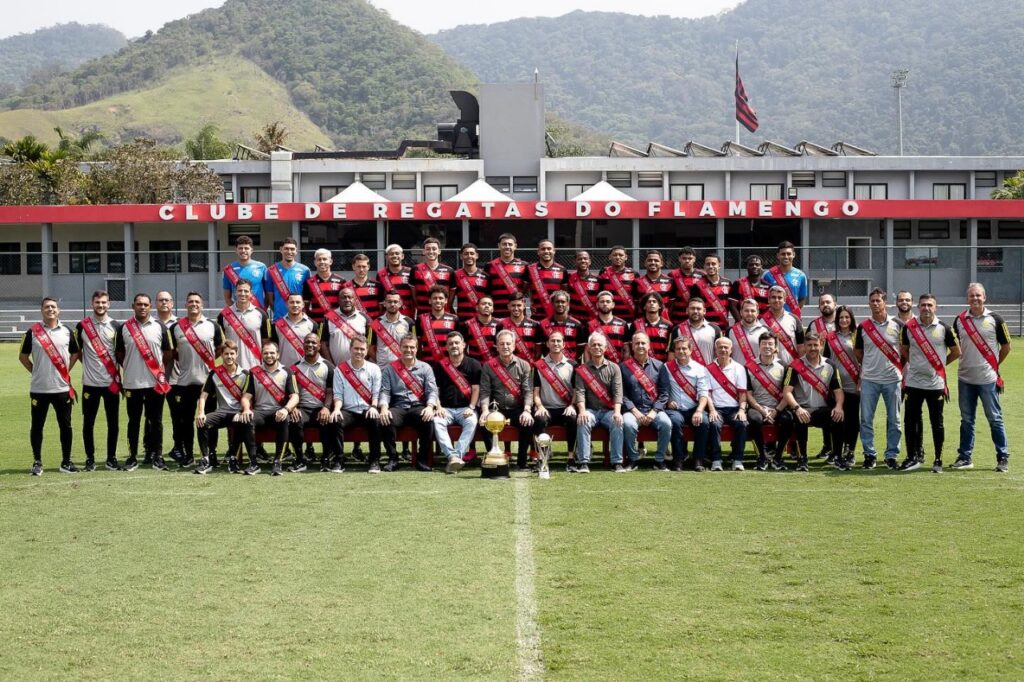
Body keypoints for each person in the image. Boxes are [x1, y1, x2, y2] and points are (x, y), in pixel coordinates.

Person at [952, 283, 1011, 472]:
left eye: (978, 295)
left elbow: (1006, 347)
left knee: (995, 418)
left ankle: (1002, 457)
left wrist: (993, 366)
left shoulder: (996, 319)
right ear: (967, 298)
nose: (975, 299)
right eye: (971, 296)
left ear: (984, 297)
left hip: (987, 379)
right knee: (967, 420)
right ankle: (965, 457)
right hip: (965, 379)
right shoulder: (959, 320)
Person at [900, 294, 960, 472]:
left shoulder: (944, 328)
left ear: (936, 307)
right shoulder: (909, 327)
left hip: (935, 385)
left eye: (929, 305)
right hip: (913, 383)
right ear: (918, 307)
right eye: (923, 305)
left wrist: (939, 366)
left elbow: (956, 351)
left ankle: (938, 459)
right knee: (910, 421)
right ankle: (912, 456)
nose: (926, 308)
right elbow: (904, 349)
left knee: (937, 422)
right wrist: (917, 365)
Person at [20, 297, 79, 475]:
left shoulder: (68, 332)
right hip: (39, 389)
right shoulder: (33, 332)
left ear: (58, 310)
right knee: (37, 426)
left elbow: (76, 353)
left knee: (66, 426)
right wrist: (36, 372)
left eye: (53, 307)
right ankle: (37, 462)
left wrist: (64, 371)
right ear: (42, 310)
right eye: (47, 307)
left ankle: (66, 462)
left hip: (62, 389)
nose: (50, 310)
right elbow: (23, 357)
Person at [115, 293, 173, 471]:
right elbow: (119, 354)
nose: (142, 307)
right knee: (134, 421)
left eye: (146, 304)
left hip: (155, 383)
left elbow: (168, 353)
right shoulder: (124, 328)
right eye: (139, 304)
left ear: (150, 307)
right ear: (133, 306)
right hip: (132, 384)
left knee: (155, 421)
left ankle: (157, 455)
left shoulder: (160, 327)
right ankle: (132, 457)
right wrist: (131, 367)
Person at [168, 292, 223, 468]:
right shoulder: (176, 327)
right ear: (186, 305)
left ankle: (211, 454)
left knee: (209, 421)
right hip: (183, 382)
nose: (194, 304)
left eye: (197, 301)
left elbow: (220, 349)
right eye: (190, 301)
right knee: (185, 422)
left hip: (207, 383)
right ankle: (189, 454)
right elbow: (172, 352)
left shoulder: (212, 326)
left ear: (202, 305)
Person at [778, 333, 845, 472]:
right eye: (809, 345)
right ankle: (803, 458)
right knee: (801, 418)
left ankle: (838, 457)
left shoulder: (830, 365)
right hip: (803, 409)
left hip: (822, 409)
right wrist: (797, 408)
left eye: (815, 345)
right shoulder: (795, 366)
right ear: (804, 347)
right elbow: (787, 391)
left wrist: (839, 406)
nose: (813, 348)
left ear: (821, 345)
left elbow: (838, 391)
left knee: (838, 417)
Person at [854, 287, 904, 469]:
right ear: (869, 303)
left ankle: (891, 455)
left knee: (895, 420)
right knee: (866, 419)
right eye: (872, 301)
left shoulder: (898, 325)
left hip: (893, 379)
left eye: (879, 300)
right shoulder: (863, 327)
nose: (875, 303)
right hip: (869, 380)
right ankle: (869, 455)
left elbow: (905, 351)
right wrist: (870, 365)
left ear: (886, 303)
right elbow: (858, 352)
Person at [75, 289, 122, 471]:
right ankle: (90, 458)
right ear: (92, 303)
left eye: (104, 302)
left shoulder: (116, 326)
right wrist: (90, 366)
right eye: (97, 302)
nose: (101, 305)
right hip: (90, 384)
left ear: (109, 304)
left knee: (113, 422)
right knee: (89, 422)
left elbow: (119, 353)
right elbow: (77, 353)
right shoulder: (82, 326)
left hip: (111, 384)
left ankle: (111, 457)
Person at [379, 335, 439, 472]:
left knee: (428, 420)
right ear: (400, 348)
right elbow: (385, 391)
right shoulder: (390, 369)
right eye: (405, 347)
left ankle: (422, 459)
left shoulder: (425, 368)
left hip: (418, 406)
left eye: (412, 347)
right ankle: (393, 459)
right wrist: (383, 408)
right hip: (398, 406)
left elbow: (432, 391)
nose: (408, 350)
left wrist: (430, 407)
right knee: (385, 419)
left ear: (417, 349)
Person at [238, 341, 299, 476]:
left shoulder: (287, 372)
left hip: (278, 411)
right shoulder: (254, 372)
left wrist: (286, 409)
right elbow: (246, 397)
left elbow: (295, 396)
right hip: (260, 412)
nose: (269, 355)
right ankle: (253, 463)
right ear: (262, 355)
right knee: (247, 419)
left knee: (284, 420)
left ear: (278, 354)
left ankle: (278, 462)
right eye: (266, 353)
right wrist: (247, 409)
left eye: (272, 353)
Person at [480, 330, 535, 469]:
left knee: (528, 423)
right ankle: (494, 459)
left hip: (517, 409)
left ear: (514, 345)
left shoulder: (524, 365)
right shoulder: (488, 366)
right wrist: (485, 411)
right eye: (502, 344)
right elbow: (485, 391)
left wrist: (527, 410)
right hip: (496, 409)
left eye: (508, 344)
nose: (505, 346)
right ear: (496, 346)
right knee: (485, 424)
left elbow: (528, 391)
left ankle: (522, 462)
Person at [574, 332, 628, 473]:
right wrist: (582, 411)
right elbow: (580, 392)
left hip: (608, 411)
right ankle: (584, 462)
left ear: (605, 348)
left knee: (617, 421)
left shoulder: (614, 368)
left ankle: (616, 462)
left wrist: (617, 412)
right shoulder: (582, 370)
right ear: (589, 348)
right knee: (583, 420)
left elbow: (618, 392)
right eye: (594, 345)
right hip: (591, 411)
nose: (597, 347)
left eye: (599, 345)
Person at [330, 336, 384, 473]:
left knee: (375, 420)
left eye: (362, 349)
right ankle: (339, 460)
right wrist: (336, 409)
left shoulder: (374, 369)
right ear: (350, 349)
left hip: (367, 409)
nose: (359, 352)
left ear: (366, 351)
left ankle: (374, 461)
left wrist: (373, 406)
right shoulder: (340, 370)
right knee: (336, 419)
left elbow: (376, 393)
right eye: (356, 349)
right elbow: (337, 395)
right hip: (348, 410)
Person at [657, 336, 711, 471]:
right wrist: (668, 402)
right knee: (674, 422)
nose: (681, 351)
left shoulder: (699, 368)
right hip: (675, 410)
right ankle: (678, 460)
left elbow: (704, 393)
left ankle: (698, 459)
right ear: (674, 351)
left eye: (684, 348)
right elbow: (662, 389)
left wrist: (699, 410)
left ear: (690, 350)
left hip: (694, 408)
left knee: (704, 421)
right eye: (678, 349)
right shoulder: (667, 367)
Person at [287, 333, 338, 472]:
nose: (310, 345)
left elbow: (330, 391)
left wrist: (327, 408)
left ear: (319, 346)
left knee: (327, 420)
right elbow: (291, 392)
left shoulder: (329, 367)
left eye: (314, 343)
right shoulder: (294, 368)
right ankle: (299, 459)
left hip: (320, 408)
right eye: (307, 342)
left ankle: (326, 459)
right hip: (302, 408)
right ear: (303, 345)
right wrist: (294, 408)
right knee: (293, 420)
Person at [431, 331, 481, 474]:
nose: (454, 346)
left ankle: (456, 456)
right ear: (446, 347)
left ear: (463, 345)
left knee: (472, 421)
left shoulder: (474, 364)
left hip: (466, 408)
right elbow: (435, 390)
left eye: (457, 343)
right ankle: (452, 456)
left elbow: (476, 389)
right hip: (445, 409)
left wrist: (471, 407)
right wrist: (438, 407)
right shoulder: (439, 366)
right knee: (436, 421)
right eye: (451, 344)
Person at [195, 341, 248, 474]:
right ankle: (206, 459)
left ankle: (232, 458)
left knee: (240, 421)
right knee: (202, 422)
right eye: (226, 354)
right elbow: (203, 395)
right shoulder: (215, 373)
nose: (229, 357)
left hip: (237, 413)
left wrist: (243, 411)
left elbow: (249, 397)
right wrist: (201, 413)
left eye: (232, 354)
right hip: (221, 412)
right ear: (221, 356)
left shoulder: (245, 374)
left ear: (237, 355)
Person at [621, 333, 671, 470]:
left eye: (643, 343)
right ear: (632, 346)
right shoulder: (623, 367)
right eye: (637, 343)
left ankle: (659, 460)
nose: (640, 346)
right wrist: (635, 412)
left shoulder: (660, 366)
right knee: (628, 424)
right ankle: (633, 459)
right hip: (633, 410)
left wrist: (654, 412)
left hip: (654, 410)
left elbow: (664, 394)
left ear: (649, 346)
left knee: (666, 423)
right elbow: (622, 395)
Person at [743, 333, 790, 471]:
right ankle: (762, 457)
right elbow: (748, 394)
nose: (767, 347)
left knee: (788, 419)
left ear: (776, 347)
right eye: (764, 344)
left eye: (770, 344)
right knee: (754, 419)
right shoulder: (749, 367)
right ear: (759, 346)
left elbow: (788, 393)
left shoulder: (784, 366)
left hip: (778, 407)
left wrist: (776, 411)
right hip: (757, 407)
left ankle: (778, 457)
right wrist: (761, 410)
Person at [532, 331, 578, 465]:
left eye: (559, 341)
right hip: (547, 408)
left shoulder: (573, 365)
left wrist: (572, 405)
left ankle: (571, 457)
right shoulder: (539, 365)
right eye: (552, 341)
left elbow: (576, 390)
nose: (556, 343)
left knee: (573, 419)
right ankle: (542, 457)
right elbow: (536, 392)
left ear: (564, 344)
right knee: (539, 419)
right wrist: (539, 406)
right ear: (547, 344)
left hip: (565, 408)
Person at [823, 305, 861, 465]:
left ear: (851, 319)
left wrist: (861, 378)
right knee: (837, 420)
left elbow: (864, 358)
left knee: (852, 420)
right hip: (836, 386)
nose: (844, 320)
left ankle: (850, 450)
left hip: (854, 384)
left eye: (847, 317)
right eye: (841, 318)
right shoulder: (830, 337)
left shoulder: (858, 335)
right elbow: (826, 360)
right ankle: (836, 451)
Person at [705, 337, 749, 471]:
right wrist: (712, 410)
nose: (723, 350)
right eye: (720, 347)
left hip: (734, 408)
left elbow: (742, 393)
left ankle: (737, 459)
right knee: (713, 424)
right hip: (716, 408)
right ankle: (716, 460)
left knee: (743, 424)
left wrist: (742, 410)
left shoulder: (739, 368)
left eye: (726, 347)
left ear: (731, 350)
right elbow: (707, 394)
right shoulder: (708, 369)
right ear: (715, 350)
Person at [217, 278, 271, 370]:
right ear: (235, 292)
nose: (242, 293)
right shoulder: (223, 315)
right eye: (240, 291)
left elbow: (266, 342)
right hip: (231, 369)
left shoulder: (262, 314)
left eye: (246, 291)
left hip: (255, 367)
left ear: (251, 293)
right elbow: (219, 345)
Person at [320, 287, 371, 366]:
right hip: (336, 368)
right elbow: (323, 344)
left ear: (355, 300)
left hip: (359, 368)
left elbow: (370, 344)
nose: (347, 300)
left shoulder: (364, 318)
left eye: (350, 297)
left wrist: (363, 362)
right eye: (344, 297)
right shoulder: (328, 318)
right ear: (338, 300)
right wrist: (331, 365)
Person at [265, 237, 311, 320]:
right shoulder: (271, 270)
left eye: (292, 249)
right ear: (281, 250)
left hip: (299, 319)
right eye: (286, 249)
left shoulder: (305, 270)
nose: (289, 252)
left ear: (296, 251)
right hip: (279, 319)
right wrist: (278, 311)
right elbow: (270, 298)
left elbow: (307, 297)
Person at [761, 241, 808, 318]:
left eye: (788, 254)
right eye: (783, 254)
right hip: (772, 319)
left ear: (793, 255)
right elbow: (762, 299)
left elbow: (802, 299)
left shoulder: (801, 276)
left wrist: (793, 311)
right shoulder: (767, 275)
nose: (786, 256)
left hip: (792, 317)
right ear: (778, 256)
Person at [671, 297, 722, 366]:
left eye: (698, 309)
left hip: (708, 373)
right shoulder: (677, 329)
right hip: (684, 374)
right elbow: (672, 354)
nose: (695, 311)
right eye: (692, 308)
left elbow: (720, 354)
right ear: (687, 310)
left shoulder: (715, 329)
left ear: (704, 311)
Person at [487, 233, 528, 316]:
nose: (507, 247)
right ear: (499, 246)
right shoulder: (489, 266)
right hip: (496, 313)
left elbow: (528, 287)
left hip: (517, 313)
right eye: (504, 244)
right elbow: (487, 290)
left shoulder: (524, 265)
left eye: (510, 244)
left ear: (515, 246)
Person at [762, 286, 804, 365]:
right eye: (773, 297)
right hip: (767, 368)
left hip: (790, 367)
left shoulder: (794, 319)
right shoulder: (761, 321)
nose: (777, 300)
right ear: (768, 300)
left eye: (780, 297)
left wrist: (800, 365)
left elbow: (801, 346)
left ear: (784, 300)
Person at [416, 285, 460, 363]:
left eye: (441, 298)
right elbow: (418, 343)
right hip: (427, 363)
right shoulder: (421, 319)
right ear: (429, 300)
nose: (438, 301)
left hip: (449, 364)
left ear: (446, 300)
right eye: (434, 298)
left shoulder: (454, 319)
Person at [274, 292, 318, 368]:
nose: (295, 305)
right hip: (283, 370)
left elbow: (317, 349)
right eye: (291, 302)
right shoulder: (277, 325)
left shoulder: (313, 324)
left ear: (303, 305)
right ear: (286, 304)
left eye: (298, 302)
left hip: (305, 371)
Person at [303, 247, 347, 324]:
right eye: (319, 259)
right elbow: (306, 304)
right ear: (315, 262)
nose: (322, 262)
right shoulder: (309, 282)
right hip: (316, 323)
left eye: (324, 259)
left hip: (336, 323)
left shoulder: (341, 281)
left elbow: (345, 303)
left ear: (330, 261)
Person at [411, 237, 454, 315]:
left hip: (442, 313)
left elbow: (452, 293)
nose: (431, 251)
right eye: (428, 249)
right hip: (422, 313)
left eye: (434, 249)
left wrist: (447, 307)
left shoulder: (449, 270)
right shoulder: (415, 269)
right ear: (423, 251)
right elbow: (413, 294)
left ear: (439, 251)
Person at [222, 235, 267, 309]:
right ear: (236, 250)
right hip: (238, 315)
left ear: (251, 250)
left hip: (258, 312)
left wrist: (263, 310)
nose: (243, 251)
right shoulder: (228, 270)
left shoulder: (262, 267)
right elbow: (227, 298)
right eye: (240, 248)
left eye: (246, 248)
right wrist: (237, 310)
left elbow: (268, 294)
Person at [371, 291, 414, 366]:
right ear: (384, 303)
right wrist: (380, 361)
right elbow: (370, 348)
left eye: (395, 302)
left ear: (400, 303)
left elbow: (414, 345)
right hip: (382, 369)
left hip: (403, 368)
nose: (392, 304)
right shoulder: (375, 323)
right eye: (389, 302)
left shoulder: (409, 322)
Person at [527, 238, 567, 320]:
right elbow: (526, 290)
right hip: (536, 317)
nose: (546, 251)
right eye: (543, 249)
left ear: (554, 251)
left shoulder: (562, 270)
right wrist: (531, 303)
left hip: (556, 317)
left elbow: (565, 294)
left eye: (549, 249)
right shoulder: (530, 269)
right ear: (538, 252)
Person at [540, 290, 585, 361]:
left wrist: (572, 360)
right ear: (552, 303)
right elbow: (542, 347)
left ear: (567, 304)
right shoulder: (543, 324)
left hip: (571, 363)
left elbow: (581, 347)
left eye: (563, 302)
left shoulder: (577, 324)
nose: (560, 304)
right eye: (557, 302)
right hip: (550, 364)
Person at [690, 254, 731, 330]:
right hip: (705, 328)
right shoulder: (697, 286)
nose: (711, 266)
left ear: (719, 266)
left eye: (713, 264)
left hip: (724, 326)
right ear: (704, 267)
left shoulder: (728, 283)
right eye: (708, 264)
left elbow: (731, 305)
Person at [588, 291, 630, 364]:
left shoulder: (623, 324)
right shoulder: (590, 325)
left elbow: (626, 349)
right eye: (602, 302)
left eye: (608, 301)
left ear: (613, 305)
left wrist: (624, 366)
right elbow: (587, 350)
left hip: (618, 365)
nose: (605, 304)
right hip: (596, 366)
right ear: (597, 305)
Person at [631, 292, 673, 362]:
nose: (652, 303)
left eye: (654, 301)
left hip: (661, 366)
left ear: (659, 306)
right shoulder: (635, 324)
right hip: (641, 365)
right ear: (644, 306)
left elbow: (670, 350)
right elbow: (631, 347)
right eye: (649, 302)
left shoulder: (669, 325)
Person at [598, 245, 637, 321]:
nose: (618, 257)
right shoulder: (603, 272)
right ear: (610, 257)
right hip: (609, 317)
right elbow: (600, 293)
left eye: (621, 255)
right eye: (615, 255)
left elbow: (636, 296)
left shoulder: (634, 273)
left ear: (626, 257)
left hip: (630, 317)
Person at [453, 243, 489, 324]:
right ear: (461, 256)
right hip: (462, 321)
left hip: (481, 320)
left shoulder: (485, 276)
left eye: (472, 253)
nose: (469, 256)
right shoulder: (455, 275)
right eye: (466, 254)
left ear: (477, 256)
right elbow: (450, 300)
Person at [501, 292, 543, 360]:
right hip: (506, 367)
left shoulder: (535, 325)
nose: (516, 308)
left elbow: (538, 351)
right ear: (508, 306)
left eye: (519, 305)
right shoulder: (501, 325)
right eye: (513, 305)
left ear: (524, 306)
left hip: (528, 366)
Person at [728, 298, 770, 367]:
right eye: (746, 311)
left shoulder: (766, 331)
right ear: (741, 312)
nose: (749, 313)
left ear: (757, 313)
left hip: (758, 375)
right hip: (737, 375)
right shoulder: (730, 331)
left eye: (753, 311)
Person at [632, 250, 674, 318]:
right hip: (643, 322)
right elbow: (636, 304)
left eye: (656, 260)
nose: (653, 262)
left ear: (662, 263)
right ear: (645, 263)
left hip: (664, 321)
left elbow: (672, 304)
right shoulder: (637, 282)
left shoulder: (670, 281)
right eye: (650, 260)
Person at [377, 244, 414, 317]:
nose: (394, 256)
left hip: (407, 314)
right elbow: (380, 298)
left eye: (397, 253)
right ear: (386, 257)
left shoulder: (410, 272)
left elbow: (414, 295)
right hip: (388, 316)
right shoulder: (381, 274)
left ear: (402, 256)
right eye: (391, 254)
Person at [728, 254, 770, 320]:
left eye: (757, 264)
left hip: (761, 325)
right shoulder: (738, 283)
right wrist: (741, 322)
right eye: (751, 265)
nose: (754, 266)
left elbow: (769, 308)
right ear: (746, 267)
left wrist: (762, 323)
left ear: (761, 267)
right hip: (742, 325)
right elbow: (732, 306)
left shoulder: (767, 286)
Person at [669, 246, 703, 325]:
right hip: (677, 318)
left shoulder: (702, 275)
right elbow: (671, 300)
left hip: (697, 316)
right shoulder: (672, 275)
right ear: (679, 259)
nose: (687, 261)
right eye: (684, 258)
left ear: (694, 259)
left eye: (690, 258)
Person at [566, 250, 600, 324]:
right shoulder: (569, 277)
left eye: (585, 258)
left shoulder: (598, 279)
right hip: (574, 320)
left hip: (592, 320)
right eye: (579, 259)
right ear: (575, 261)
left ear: (590, 261)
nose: (583, 261)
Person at [463, 295, 500, 362]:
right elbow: (463, 348)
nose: (486, 306)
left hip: (493, 367)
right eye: (483, 304)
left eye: (490, 304)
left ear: (493, 309)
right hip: (474, 365)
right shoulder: (467, 325)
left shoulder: (499, 325)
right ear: (477, 307)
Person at [348, 253, 382, 320]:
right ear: (353, 267)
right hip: (354, 324)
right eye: (358, 266)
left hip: (374, 324)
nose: (361, 270)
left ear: (368, 267)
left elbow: (381, 307)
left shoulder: (377, 285)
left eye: (364, 266)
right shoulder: (346, 287)